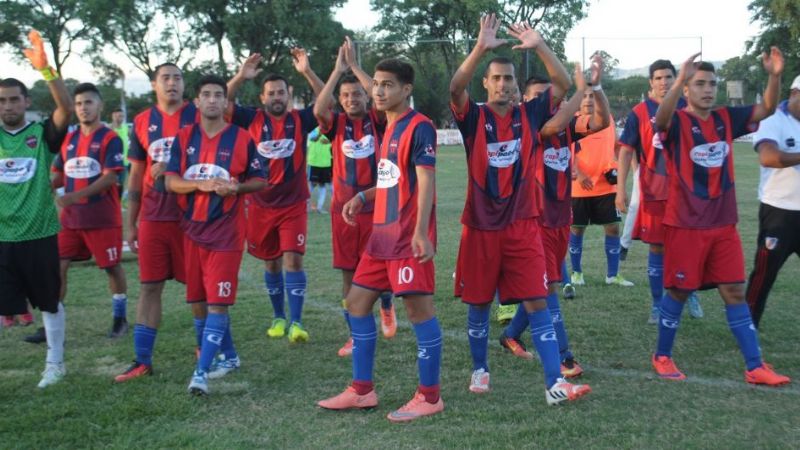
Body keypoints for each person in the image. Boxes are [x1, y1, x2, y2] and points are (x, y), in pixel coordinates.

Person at [448, 14, 591, 405]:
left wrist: (540, 44)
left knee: (537, 300)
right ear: (486, 83)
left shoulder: (530, 115)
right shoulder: (473, 117)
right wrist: (480, 46)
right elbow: (455, 87)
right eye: (496, 78)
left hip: (524, 226)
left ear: (516, 86)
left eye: (509, 79)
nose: (503, 84)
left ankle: (553, 384)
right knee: (478, 303)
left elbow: (562, 84)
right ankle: (480, 367)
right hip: (479, 227)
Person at [651, 50, 790, 386]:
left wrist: (774, 76)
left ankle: (754, 365)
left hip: (723, 224)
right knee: (680, 291)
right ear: (686, 89)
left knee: (734, 291)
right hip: (686, 224)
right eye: (699, 84)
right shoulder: (679, 121)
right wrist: (679, 77)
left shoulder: (726, 118)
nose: (708, 89)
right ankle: (662, 356)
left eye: (712, 83)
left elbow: (766, 109)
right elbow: (660, 122)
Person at [317, 58, 444, 422]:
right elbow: (393, 179)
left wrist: (421, 231)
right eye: (377, 84)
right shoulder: (388, 127)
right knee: (356, 303)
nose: (379, 91)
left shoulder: (419, 127)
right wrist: (363, 197)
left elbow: (425, 182)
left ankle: (430, 396)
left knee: (419, 313)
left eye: (387, 85)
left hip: (406, 239)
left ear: (406, 90)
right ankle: (361, 391)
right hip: (381, 238)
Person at [499, 56, 610, 382]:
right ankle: (564, 357)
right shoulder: (527, 125)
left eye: (551, 96)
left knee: (544, 286)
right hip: (533, 222)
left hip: (560, 219)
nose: (545, 101)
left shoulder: (565, 127)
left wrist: (595, 87)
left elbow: (601, 121)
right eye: (536, 96)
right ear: (523, 100)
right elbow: (552, 125)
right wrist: (580, 89)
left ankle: (510, 335)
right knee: (548, 291)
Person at [164, 75, 267, 395]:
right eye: (206, 95)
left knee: (218, 304)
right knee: (198, 303)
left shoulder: (241, 138)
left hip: (226, 234)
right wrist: (201, 184)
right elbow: (170, 181)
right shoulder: (183, 138)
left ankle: (201, 373)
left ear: (226, 103)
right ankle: (230, 356)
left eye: (218, 95)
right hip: (192, 233)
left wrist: (237, 186)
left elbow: (260, 180)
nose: (212, 100)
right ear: (196, 102)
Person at [227, 49, 324, 342]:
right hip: (259, 205)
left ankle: (296, 322)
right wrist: (241, 76)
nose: (277, 97)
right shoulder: (250, 119)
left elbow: (327, 101)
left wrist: (307, 71)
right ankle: (278, 317)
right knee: (271, 263)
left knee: (293, 260)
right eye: (271, 93)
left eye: (281, 92)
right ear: (263, 97)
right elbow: (222, 101)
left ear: (289, 94)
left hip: (293, 205)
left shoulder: (301, 120)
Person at [114, 62, 201, 382]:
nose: (172, 83)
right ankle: (142, 359)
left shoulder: (197, 114)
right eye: (165, 78)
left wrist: (173, 164)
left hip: (192, 216)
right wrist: (130, 223)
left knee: (198, 287)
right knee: (150, 286)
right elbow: (135, 175)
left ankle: (204, 351)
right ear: (154, 85)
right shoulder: (141, 122)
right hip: (153, 216)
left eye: (178, 78)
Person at [313, 38, 397, 357]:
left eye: (357, 93)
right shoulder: (336, 125)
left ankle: (387, 305)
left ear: (367, 96)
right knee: (349, 274)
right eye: (345, 96)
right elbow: (320, 108)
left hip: (377, 208)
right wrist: (337, 73)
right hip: (343, 212)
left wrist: (357, 68)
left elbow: (379, 91)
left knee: (383, 271)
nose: (351, 99)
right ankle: (354, 335)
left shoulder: (378, 120)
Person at [0, 30, 72, 387]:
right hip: (2, 236)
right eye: (2, 101)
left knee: (48, 302)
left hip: (39, 233)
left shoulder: (41, 135)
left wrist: (47, 71)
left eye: (14, 100)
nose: (8, 106)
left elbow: (66, 109)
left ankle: (55, 363)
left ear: (25, 101)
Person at [616, 60, 703, 324]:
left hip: (687, 192)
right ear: (650, 83)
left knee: (687, 248)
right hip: (654, 191)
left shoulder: (688, 108)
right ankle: (657, 305)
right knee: (657, 249)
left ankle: (690, 293)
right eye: (659, 78)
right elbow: (626, 150)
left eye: (668, 77)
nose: (664, 82)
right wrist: (621, 188)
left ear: (677, 79)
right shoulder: (639, 112)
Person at [52, 83, 128, 338]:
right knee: (58, 267)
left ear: (100, 105)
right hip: (71, 220)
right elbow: (59, 173)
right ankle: (53, 322)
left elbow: (110, 179)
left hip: (102, 218)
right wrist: (41, 185)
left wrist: (75, 196)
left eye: (89, 103)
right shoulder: (69, 139)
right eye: (79, 104)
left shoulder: (110, 138)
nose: (84, 108)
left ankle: (120, 317)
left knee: (111, 267)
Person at [568, 71, 634, 288]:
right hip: (579, 186)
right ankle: (577, 273)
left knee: (613, 228)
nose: (588, 100)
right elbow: (566, 149)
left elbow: (617, 144)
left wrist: (618, 163)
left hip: (606, 185)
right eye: (585, 96)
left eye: (592, 96)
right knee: (577, 228)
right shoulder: (573, 122)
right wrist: (580, 170)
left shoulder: (608, 120)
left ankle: (612, 275)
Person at [745, 74, 800, 329]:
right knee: (764, 274)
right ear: (794, 93)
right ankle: (748, 325)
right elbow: (768, 157)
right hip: (779, 212)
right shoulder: (773, 119)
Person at [306, 127, 332, 214]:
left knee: (323, 185)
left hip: (326, 163)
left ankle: (319, 208)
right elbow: (312, 138)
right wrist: (321, 133)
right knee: (312, 184)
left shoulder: (331, 129)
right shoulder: (314, 129)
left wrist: (330, 140)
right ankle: (305, 207)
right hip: (314, 162)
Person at [110, 109, 130, 200]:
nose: (120, 118)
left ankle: (118, 203)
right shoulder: (109, 129)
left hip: (124, 162)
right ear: (113, 116)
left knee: (121, 184)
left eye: (122, 116)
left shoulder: (126, 128)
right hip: (112, 163)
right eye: (118, 116)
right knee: (112, 184)